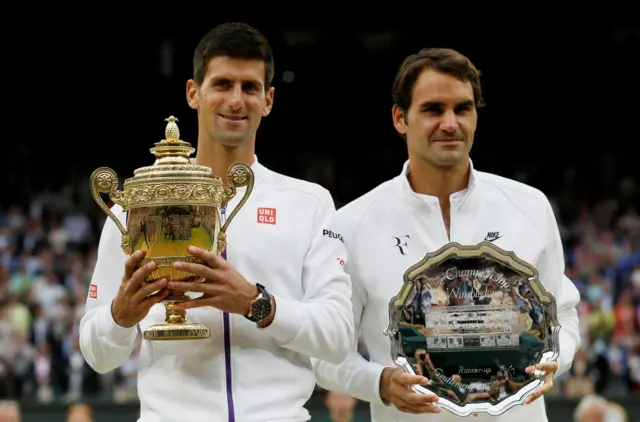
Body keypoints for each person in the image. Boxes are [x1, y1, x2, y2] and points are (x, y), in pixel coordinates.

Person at [79, 22, 354, 422]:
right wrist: (120, 316)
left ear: (269, 100)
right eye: (222, 84)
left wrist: (256, 303)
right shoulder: (136, 206)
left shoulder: (309, 204)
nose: (236, 100)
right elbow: (97, 354)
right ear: (194, 93)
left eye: (250, 87)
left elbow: (339, 337)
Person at [311, 48, 581, 422]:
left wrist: (556, 358)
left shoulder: (530, 207)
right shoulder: (352, 223)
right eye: (433, 109)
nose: (450, 123)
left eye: (462, 108)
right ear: (400, 118)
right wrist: (379, 382)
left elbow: (563, 316)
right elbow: (325, 354)